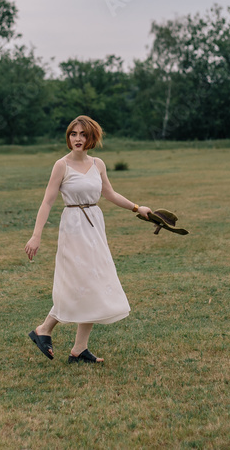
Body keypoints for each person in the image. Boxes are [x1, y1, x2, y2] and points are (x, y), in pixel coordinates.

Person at [25, 115, 151, 364]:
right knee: (78, 283)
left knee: (93, 282)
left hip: (94, 227)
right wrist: (36, 235)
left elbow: (110, 193)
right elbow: (47, 201)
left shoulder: (98, 164)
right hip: (73, 227)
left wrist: (138, 208)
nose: (78, 138)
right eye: (73, 134)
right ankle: (44, 329)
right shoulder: (61, 165)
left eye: (83, 134)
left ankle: (78, 349)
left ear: (91, 137)